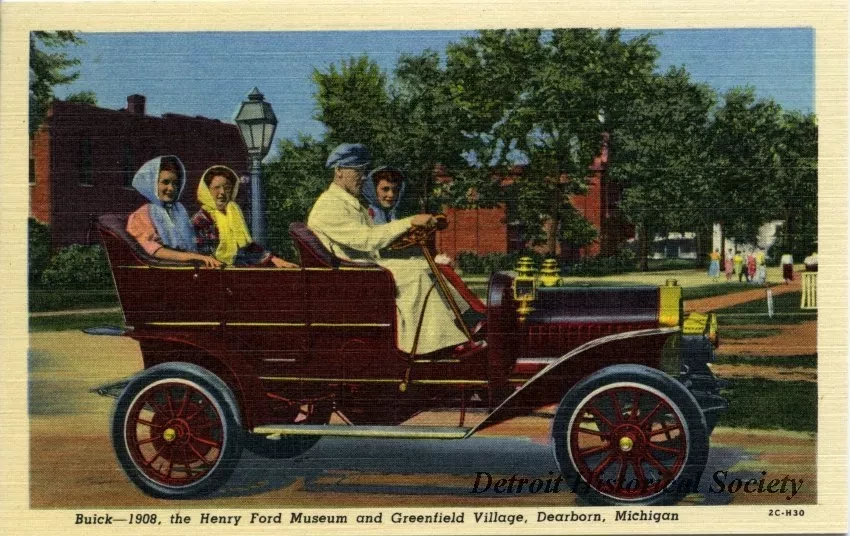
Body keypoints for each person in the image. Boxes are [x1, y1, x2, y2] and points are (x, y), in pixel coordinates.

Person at [307, 143, 472, 356]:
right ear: (338, 171)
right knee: (415, 274)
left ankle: (463, 321)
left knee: (425, 265)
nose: (363, 177)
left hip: (361, 269)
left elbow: (373, 238)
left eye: (364, 170)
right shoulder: (330, 205)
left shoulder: (347, 203)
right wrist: (410, 221)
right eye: (357, 171)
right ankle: (436, 346)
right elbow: (367, 240)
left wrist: (409, 231)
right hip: (352, 277)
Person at [362, 165, 487, 316]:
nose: (391, 195)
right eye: (385, 189)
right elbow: (378, 244)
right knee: (430, 269)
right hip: (379, 267)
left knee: (442, 268)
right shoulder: (369, 215)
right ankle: (467, 314)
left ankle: (470, 312)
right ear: (373, 190)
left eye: (395, 190)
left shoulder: (392, 215)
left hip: (397, 264)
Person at [191, 165, 297, 268]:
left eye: (227, 188)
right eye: (216, 188)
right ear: (206, 190)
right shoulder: (200, 219)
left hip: (234, 270)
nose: (222, 192)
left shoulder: (233, 212)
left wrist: (275, 260)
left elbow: (247, 247)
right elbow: (198, 255)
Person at [126, 155, 221, 267]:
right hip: (163, 268)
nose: (171, 188)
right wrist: (194, 256)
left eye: (175, 183)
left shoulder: (178, 210)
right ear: (152, 183)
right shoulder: (142, 214)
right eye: (165, 182)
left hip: (189, 264)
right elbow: (155, 250)